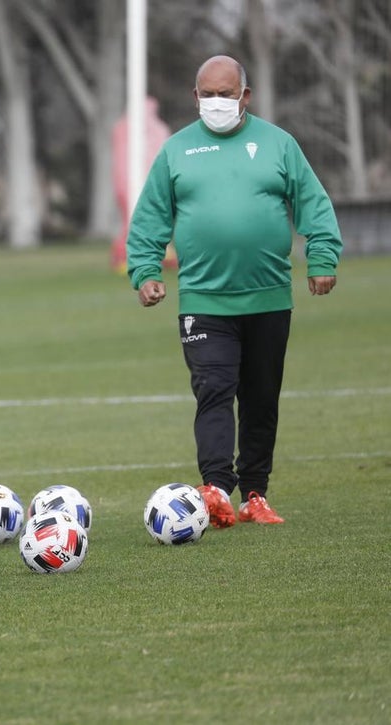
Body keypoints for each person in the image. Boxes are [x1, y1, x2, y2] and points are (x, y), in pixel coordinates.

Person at [126, 54, 342, 528]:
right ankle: (216, 490)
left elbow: (313, 205)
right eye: (208, 94)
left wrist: (322, 257)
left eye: (226, 94)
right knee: (214, 391)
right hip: (204, 300)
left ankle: (255, 495)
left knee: (261, 398)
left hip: (269, 298)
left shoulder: (278, 144)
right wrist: (144, 271)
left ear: (245, 96)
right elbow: (149, 219)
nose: (217, 102)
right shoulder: (177, 151)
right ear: (195, 96)